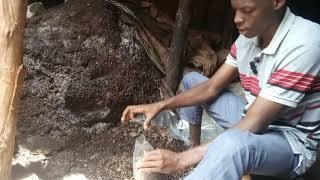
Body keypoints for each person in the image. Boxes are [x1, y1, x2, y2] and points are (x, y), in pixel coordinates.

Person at [121, 0, 320, 179]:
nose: (237, 19)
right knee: (192, 80)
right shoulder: (249, 38)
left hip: (290, 144)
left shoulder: (306, 42)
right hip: (252, 119)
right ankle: (197, 152)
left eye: (247, 10)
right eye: (235, 11)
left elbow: (255, 123)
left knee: (233, 145)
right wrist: (160, 105)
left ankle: (197, 162)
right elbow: (211, 87)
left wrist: (181, 160)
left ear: (276, 2)